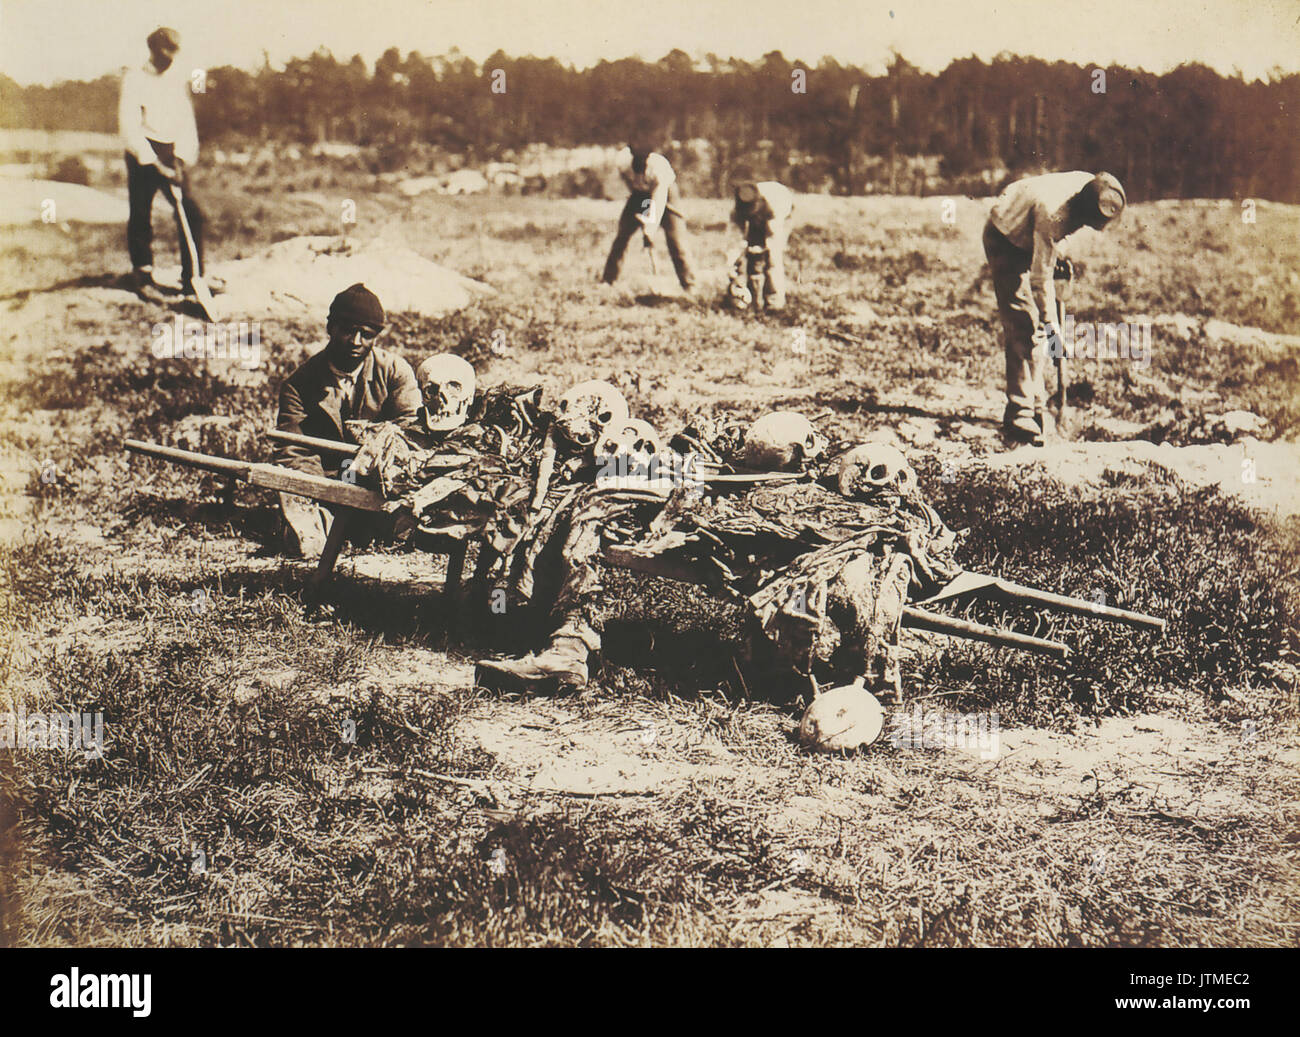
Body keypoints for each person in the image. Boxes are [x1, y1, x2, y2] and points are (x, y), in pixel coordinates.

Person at [273, 283, 422, 557]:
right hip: (326, 481)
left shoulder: (394, 372)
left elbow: (411, 431)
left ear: (376, 336)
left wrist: (370, 470)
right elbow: (293, 450)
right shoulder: (299, 384)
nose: (356, 341)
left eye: (366, 335)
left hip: (378, 481)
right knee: (305, 532)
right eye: (347, 330)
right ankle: (320, 525)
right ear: (330, 328)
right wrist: (328, 491)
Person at [983, 171, 1126, 444]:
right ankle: (1020, 413)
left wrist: (1058, 256)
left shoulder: (1093, 186)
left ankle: (1037, 404)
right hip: (1005, 236)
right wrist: (1053, 328)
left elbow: (1061, 234)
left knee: (1037, 328)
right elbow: (1040, 279)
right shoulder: (1052, 213)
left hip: (1035, 228)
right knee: (1024, 323)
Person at [118, 27, 206, 302]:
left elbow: (186, 124)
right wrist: (154, 163)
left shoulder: (176, 80)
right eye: (166, 51)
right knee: (141, 214)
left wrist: (178, 160)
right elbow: (129, 126)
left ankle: (193, 280)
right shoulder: (135, 78)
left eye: (174, 52)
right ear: (153, 50)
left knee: (192, 213)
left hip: (171, 151)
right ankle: (143, 276)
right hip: (143, 151)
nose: (170, 57)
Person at [601, 135, 695, 292]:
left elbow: (657, 201)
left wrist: (649, 230)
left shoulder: (659, 169)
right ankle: (608, 280)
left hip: (666, 196)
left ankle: (689, 284)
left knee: (676, 240)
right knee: (622, 236)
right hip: (639, 195)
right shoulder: (623, 161)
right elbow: (624, 183)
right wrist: (641, 207)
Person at [730, 178, 795, 310]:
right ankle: (747, 298)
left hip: (779, 215)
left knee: (772, 258)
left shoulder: (776, 204)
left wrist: (762, 247)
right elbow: (735, 241)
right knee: (748, 258)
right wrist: (733, 264)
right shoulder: (738, 210)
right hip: (763, 214)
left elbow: (772, 237)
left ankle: (774, 302)